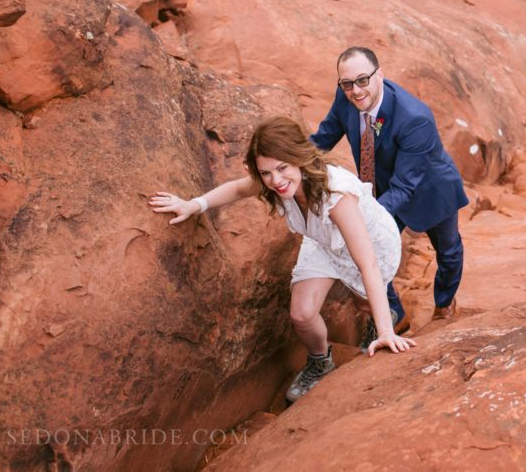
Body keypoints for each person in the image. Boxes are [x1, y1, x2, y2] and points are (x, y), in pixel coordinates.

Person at [149, 116, 415, 404]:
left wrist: (387, 334)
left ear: (298, 158)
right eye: (265, 173)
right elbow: (238, 189)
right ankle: (320, 362)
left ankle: (382, 321)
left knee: (363, 299)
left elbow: (368, 264)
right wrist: (194, 204)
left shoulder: (336, 196)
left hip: (368, 243)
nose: (275, 181)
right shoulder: (273, 182)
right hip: (323, 240)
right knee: (301, 314)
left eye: (282, 168)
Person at [310, 47, 469, 344]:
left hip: (430, 190)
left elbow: (405, 187)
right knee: (369, 252)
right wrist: (289, 161)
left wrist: (362, 217)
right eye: (347, 83)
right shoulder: (346, 98)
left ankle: (445, 304)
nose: (356, 91)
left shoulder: (415, 118)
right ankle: (394, 314)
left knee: (448, 250)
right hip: (385, 187)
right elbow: (323, 139)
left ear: (379, 75)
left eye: (362, 80)